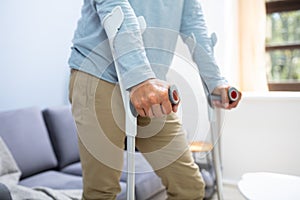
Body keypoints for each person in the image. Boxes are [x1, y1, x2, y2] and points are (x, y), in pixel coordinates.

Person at [68, 0, 242, 199]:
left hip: (152, 86)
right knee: (102, 192)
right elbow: (114, 7)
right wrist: (140, 77)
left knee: (190, 188)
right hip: (99, 74)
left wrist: (215, 81)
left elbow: (196, 28)